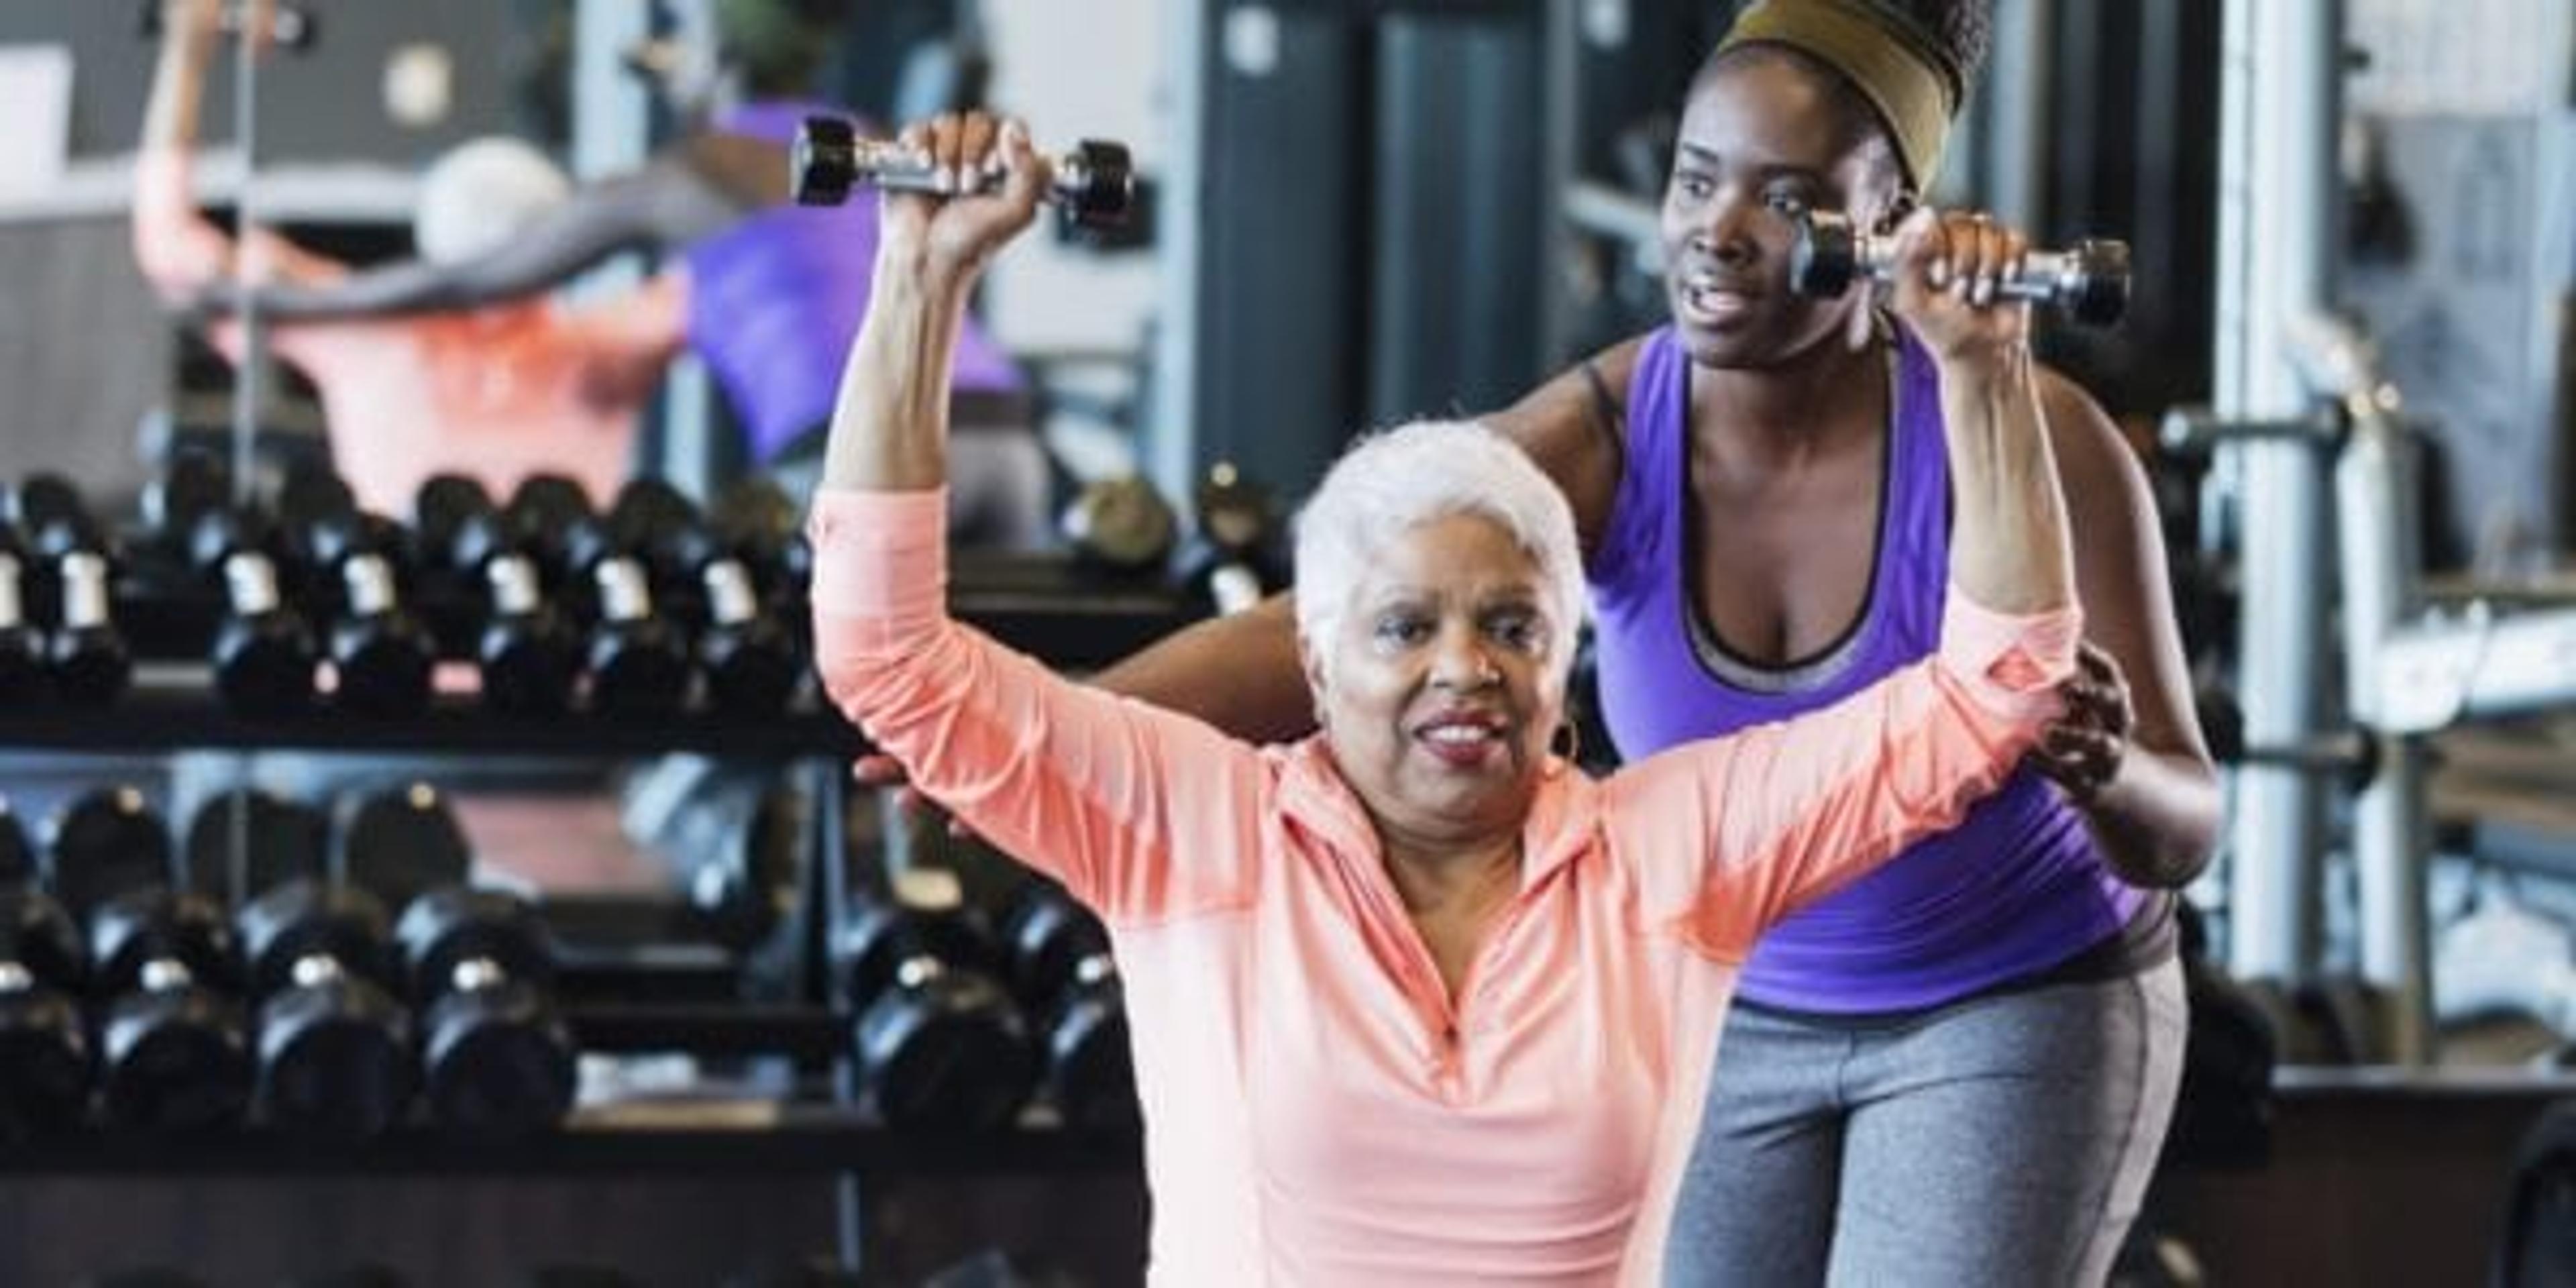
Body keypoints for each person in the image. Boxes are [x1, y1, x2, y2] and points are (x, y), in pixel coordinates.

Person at [812, 109, 2084, 1283]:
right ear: (1314, 666)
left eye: (1512, 625)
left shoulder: (1671, 856)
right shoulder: (1199, 830)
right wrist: (922, 277)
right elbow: (889, 661)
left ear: (1562, 659)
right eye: (1404, 628)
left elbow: (2000, 684)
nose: (1463, 667)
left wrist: (1980, 374)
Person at [1076, 1, 2218, 1283]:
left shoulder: (2034, 441)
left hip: (2008, 1001)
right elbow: (1328, 628)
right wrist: (1047, 734)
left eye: (1786, 200)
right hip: (1720, 998)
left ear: (1889, 224)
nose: (1716, 236)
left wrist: (2104, 763)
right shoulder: (1612, 433)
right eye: (1694, 180)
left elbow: (2184, 826)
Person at [223, 0, 1046, 543]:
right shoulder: (862, 137)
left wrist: (289, 300)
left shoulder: (693, 174)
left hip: (856, 440)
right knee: (998, 721)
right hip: (1004, 434)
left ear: (716, 58)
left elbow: (472, 278)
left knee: (766, 707)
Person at [132, 0, 674, 514]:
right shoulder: (599, 353)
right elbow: (734, 247)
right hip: (567, 605)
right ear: (562, 250)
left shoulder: (372, 339)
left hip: (405, 602)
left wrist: (187, 55)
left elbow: (170, 248)